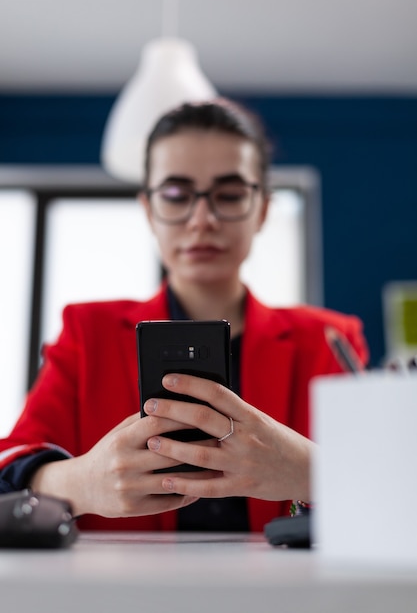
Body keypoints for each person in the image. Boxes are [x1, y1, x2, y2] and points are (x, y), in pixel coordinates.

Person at [0, 98, 368, 532]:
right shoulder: (86, 332)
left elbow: (388, 489)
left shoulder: (329, 339)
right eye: (176, 195)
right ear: (149, 210)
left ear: (263, 209)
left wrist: (310, 472)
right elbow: (12, 460)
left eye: (229, 195)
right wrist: (80, 483)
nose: (202, 219)